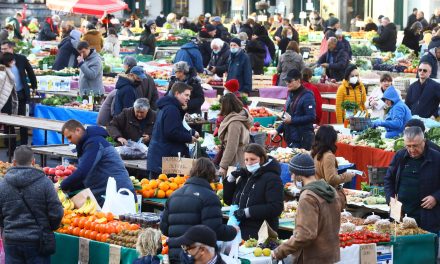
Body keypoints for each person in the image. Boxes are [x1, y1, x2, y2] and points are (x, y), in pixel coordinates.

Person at [160, 159, 237, 262]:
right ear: (211, 174)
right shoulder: (210, 197)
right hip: (197, 256)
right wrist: (233, 230)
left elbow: (164, 228)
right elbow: (213, 230)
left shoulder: (174, 195)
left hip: (174, 255)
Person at [272, 153, 342, 263]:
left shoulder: (308, 196)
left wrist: (279, 252)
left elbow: (306, 235)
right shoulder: (330, 190)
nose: (291, 178)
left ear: (299, 175)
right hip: (329, 255)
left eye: (292, 174)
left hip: (311, 257)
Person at [0, 146, 63, 263]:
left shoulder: (3, 185)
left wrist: (6, 228)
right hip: (38, 241)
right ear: (33, 161)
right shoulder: (45, 183)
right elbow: (56, 212)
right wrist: (50, 227)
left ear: (13, 162)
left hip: (11, 240)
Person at [60, 119, 135, 206]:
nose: (69, 141)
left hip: (118, 193)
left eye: (70, 137)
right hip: (106, 192)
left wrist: (61, 187)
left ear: (78, 130)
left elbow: (83, 172)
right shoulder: (87, 143)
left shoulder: (94, 143)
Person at [384, 126, 440, 234]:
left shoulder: (436, 157)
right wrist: (391, 200)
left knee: (426, 248)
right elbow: (388, 179)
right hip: (400, 213)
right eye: (408, 146)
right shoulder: (400, 155)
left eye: (415, 146)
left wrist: (436, 197)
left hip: (427, 216)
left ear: (423, 141)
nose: (411, 150)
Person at [223, 144, 283, 240]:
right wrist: (230, 180)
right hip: (240, 231)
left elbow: (276, 207)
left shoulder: (272, 178)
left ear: (262, 159)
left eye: (253, 159)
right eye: (246, 160)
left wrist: (247, 212)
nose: (249, 163)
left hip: (260, 232)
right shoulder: (245, 177)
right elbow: (229, 201)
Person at [147, 83, 199, 178]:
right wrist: (189, 138)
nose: (189, 98)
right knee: (162, 188)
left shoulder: (169, 107)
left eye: (189, 96)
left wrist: (191, 132)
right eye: (186, 95)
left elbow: (175, 127)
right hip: (164, 158)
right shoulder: (171, 109)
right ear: (177, 94)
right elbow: (171, 132)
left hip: (161, 156)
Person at [1, 41, 38, 146]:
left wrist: (34, 86)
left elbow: (30, 72)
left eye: (5, 49)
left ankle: (24, 145)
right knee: (9, 123)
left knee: (23, 121)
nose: (3, 51)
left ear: (11, 48)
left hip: (21, 94)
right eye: (2, 49)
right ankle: (10, 147)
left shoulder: (21, 59)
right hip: (7, 97)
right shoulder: (1, 61)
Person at [272, 69, 316, 150]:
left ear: (298, 80)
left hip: (303, 139)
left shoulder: (308, 95)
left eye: (290, 81)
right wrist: (278, 130)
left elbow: (311, 117)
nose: (287, 83)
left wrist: (292, 120)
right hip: (291, 137)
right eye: (286, 81)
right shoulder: (290, 94)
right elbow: (288, 116)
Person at [217, 93, 253, 176]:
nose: (220, 108)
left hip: (235, 160)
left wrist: (223, 166)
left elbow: (231, 146)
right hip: (241, 156)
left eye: (221, 105)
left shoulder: (234, 122)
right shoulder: (241, 116)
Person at [0, 53, 18, 117]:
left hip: (6, 100)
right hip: (3, 101)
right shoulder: (2, 72)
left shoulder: (7, 70)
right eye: (13, 60)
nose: (14, 62)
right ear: (8, 61)